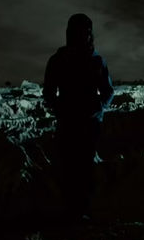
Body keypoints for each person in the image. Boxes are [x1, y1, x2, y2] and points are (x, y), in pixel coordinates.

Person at [43, 13, 114, 220]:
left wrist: (99, 108)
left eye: (84, 32)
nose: (82, 35)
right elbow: (48, 92)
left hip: (88, 123)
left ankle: (81, 210)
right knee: (70, 166)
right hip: (69, 122)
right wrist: (60, 110)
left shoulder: (96, 61)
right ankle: (72, 210)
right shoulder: (59, 60)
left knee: (84, 166)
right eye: (77, 31)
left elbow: (108, 91)